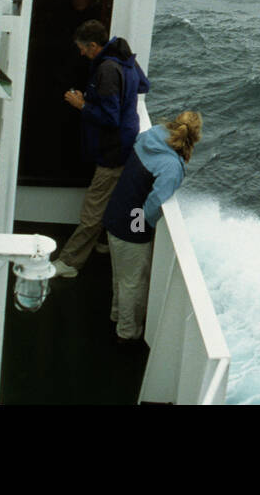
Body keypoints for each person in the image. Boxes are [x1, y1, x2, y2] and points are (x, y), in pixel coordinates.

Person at [51, 19, 150, 278]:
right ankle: (103, 243)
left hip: (113, 150)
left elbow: (110, 118)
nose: (81, 53)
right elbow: (143, 85)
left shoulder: (106, 70)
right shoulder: (125, 58)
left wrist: (81, 104)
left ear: (93, 45)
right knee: (111, 199)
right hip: (128, 141)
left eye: (82, 48)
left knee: (92, 209)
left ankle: (70, 262)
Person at [102, 111, 202, 344]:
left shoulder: (151, 135)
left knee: (121, 275)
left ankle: (116, 315)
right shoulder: (171, 166)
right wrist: (144, 228)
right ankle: (127, 334)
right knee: (133, 283)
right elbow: (153, 204)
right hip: (130, 226)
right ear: (194, 138)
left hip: (114, 213)